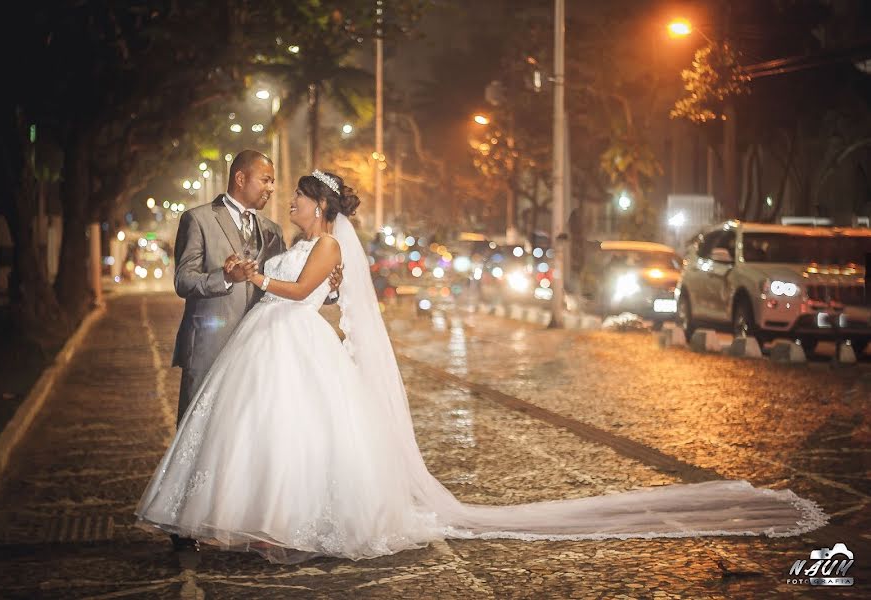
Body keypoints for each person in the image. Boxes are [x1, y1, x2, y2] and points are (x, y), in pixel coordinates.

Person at [137, 170, 827, 564]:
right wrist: (252, 269)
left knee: (302, 438)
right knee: (266, 437)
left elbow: (296, 290)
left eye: (298, 199)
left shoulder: (325, 249)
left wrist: (253, 276)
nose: (289, 204)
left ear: (320, 205)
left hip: (293, 340)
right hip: (277, 345)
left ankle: (291, 520)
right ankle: (256, 517)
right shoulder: (302, 237)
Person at [168, 151, 340, 551]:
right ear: (240, 178)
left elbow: (296, 282)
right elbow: (183, 279)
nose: (272, 189)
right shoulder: (198, 219)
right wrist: (223, 278)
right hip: (211, 341)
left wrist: (330, 288)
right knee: (197, 428)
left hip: (263, 345)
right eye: (266, 180)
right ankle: (183, 521)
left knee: (252, 435)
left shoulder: (272, 230)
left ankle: (242, 517)